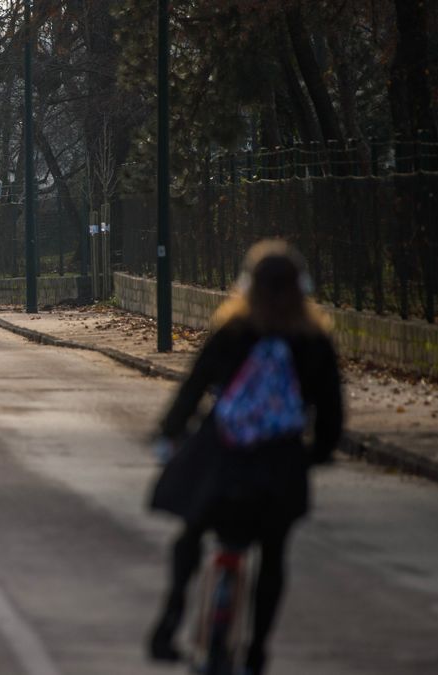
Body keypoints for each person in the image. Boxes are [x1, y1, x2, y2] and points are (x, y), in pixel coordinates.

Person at [147, 240, 343, 675]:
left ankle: (169, 624)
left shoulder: (232, 332)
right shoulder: (314, 342)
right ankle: (256, 654)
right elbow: (331, 416)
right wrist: (316, 456)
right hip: (279, 472)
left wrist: (170, 432)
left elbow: (193, 388)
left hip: (224, 465)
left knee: (190, 534)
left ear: (246, 287)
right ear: (301, 289)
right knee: (272, 558)